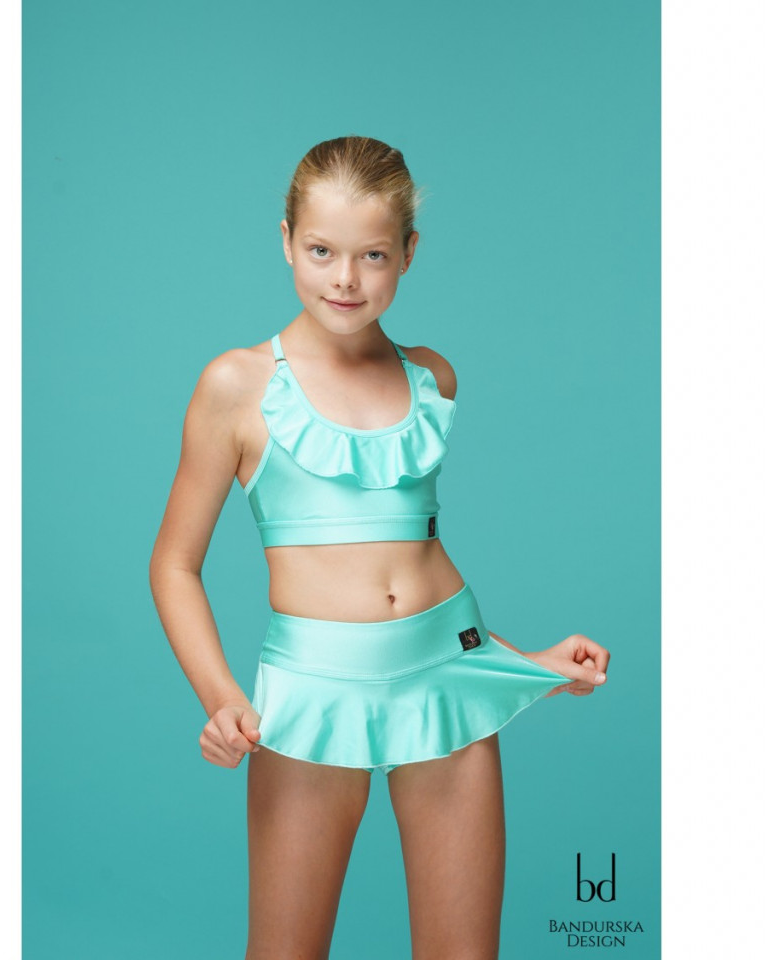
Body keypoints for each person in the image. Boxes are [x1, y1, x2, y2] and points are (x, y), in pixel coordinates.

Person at [149, 135, 610, 960]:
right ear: (286, 240)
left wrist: (528, 662)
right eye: (321, 251)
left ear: (408, 253)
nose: (345, 279)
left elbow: (415, 568)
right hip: (310, 696)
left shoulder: (432, 379)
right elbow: (173, 565)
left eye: (372, 255)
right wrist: (220, 697)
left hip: (448, 684)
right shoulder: (236, 386)